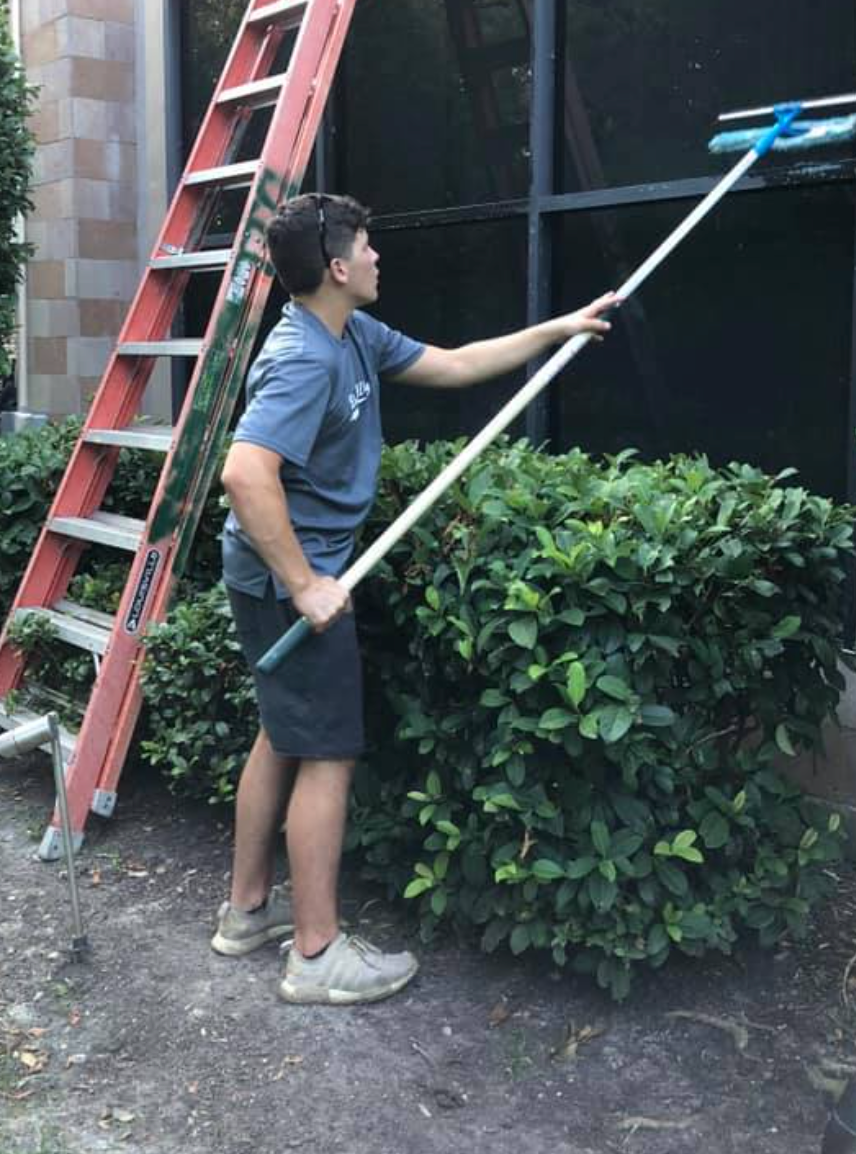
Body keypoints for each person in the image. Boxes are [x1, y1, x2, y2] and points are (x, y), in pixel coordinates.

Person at [211, 191, 616, 1006]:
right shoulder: (303, 357)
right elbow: (244, 472)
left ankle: (246, 912)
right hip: (286, 583)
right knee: (325, 752)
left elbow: (456, 362)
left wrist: (559, 328)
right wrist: (306, 585)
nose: (376, 257)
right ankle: (316, 954)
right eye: (366, 247)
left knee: (283, 735)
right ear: (335, 266)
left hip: (279, 577)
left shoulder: (352, 333)